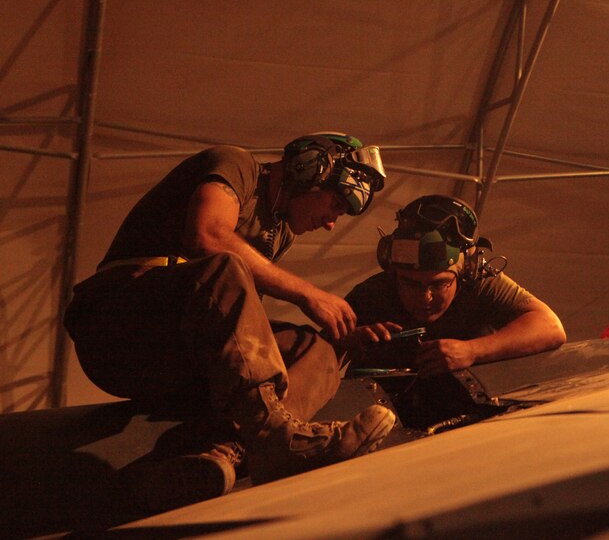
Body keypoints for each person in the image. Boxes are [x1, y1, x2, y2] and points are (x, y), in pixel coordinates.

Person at [63, 132, 396, 516]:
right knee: (227, 264)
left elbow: (238, 328)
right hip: (117, 327)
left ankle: (222, 454)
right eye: (336, 205)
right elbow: (207, 236)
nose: (331, 225)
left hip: (177, 354)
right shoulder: (238, 165)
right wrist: (309, 294)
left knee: (315, 348)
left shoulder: (279, 231)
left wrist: (342, 340)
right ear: (310, 171)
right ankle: (274, 435)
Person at [342, 194, 565, 376]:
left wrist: (472, 351)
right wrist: (346, 343)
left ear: (466, 270)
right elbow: (316, 355)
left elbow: (550, 327)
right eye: (410, 283)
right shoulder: (370, 295)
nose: (425, 297)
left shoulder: (480, 285)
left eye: (439, 284)